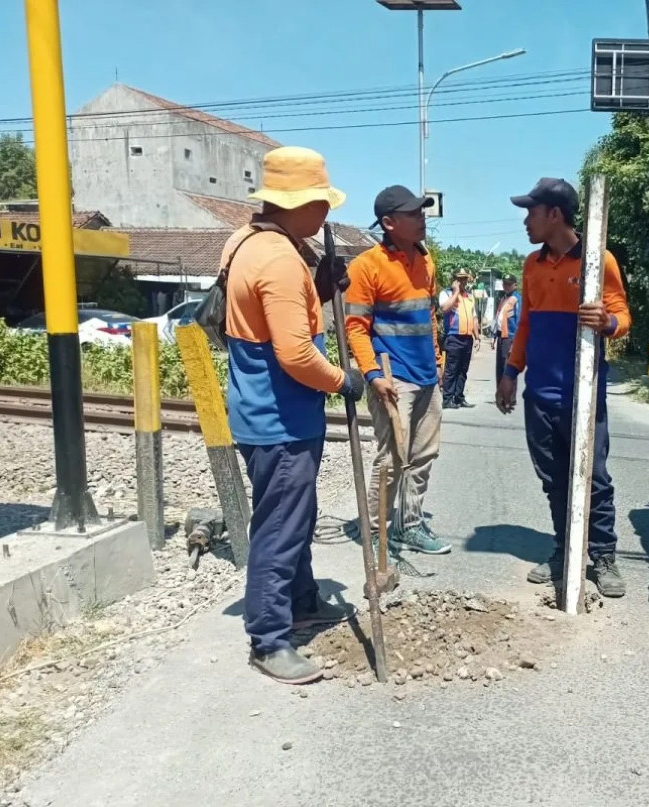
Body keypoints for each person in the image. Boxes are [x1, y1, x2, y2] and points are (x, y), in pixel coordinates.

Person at [223, 146, 366, 685]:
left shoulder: (249, 242)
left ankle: (301, 599)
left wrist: (323, 284)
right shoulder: (280, 260)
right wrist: (342, 381)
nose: (326, 214)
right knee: (281, 526)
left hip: (263, 412)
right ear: (299, 203)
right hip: (279, 419)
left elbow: (270, 318)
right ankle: (269, 637)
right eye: (321, 203)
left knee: (294, 517)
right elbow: (296, 355)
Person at [496, 177, 631, 597]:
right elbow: (527, 323)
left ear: (555, 214)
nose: (525, 222)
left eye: (531, 212)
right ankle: (563, 549)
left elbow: (623, 315)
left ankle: (603, 554)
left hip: (583, 394)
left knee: (594, 477)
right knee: (554, 478)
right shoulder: (532, 265)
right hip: (540, 394)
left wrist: (606, 323)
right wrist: (510, 370)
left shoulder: (597, 260)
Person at [342, 184, 451, 555]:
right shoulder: (366, 267)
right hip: (392, 378)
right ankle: (374, 531)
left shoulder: (426, 260)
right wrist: (373, 375)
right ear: (389, 223)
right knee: (391, 458)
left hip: (425, 376)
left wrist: (437, 362)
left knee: (423, 456)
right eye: (413, 214)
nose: (422, 218)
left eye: (421, 211)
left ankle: (408, 524)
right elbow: (355, 327)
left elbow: (430, 317)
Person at [439, 270, 481, 409]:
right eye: (460, 279)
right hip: (453, 336)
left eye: (465, 279)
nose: (463, 282)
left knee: (463, 370)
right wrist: (455, 292)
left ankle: (459, 397)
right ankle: (447, 399)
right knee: (451, 369)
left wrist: (477, 336)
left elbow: (474, 317)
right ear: (454, 280)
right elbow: (444, 308)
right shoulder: (446, 293)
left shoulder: (469, 297)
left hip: (467, 338)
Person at [493, 274, 521, 380]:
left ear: (515, 285)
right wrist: (494, 336)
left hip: (510, 338)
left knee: (508, 371)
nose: (506, 286)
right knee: (500, 370)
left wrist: (515, 344)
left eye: (509, 284)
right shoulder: (504, 298)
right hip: (501, 337)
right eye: (504, 283)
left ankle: (509, 396)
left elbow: (519, 322)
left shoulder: (517, 299)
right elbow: (498, 318)